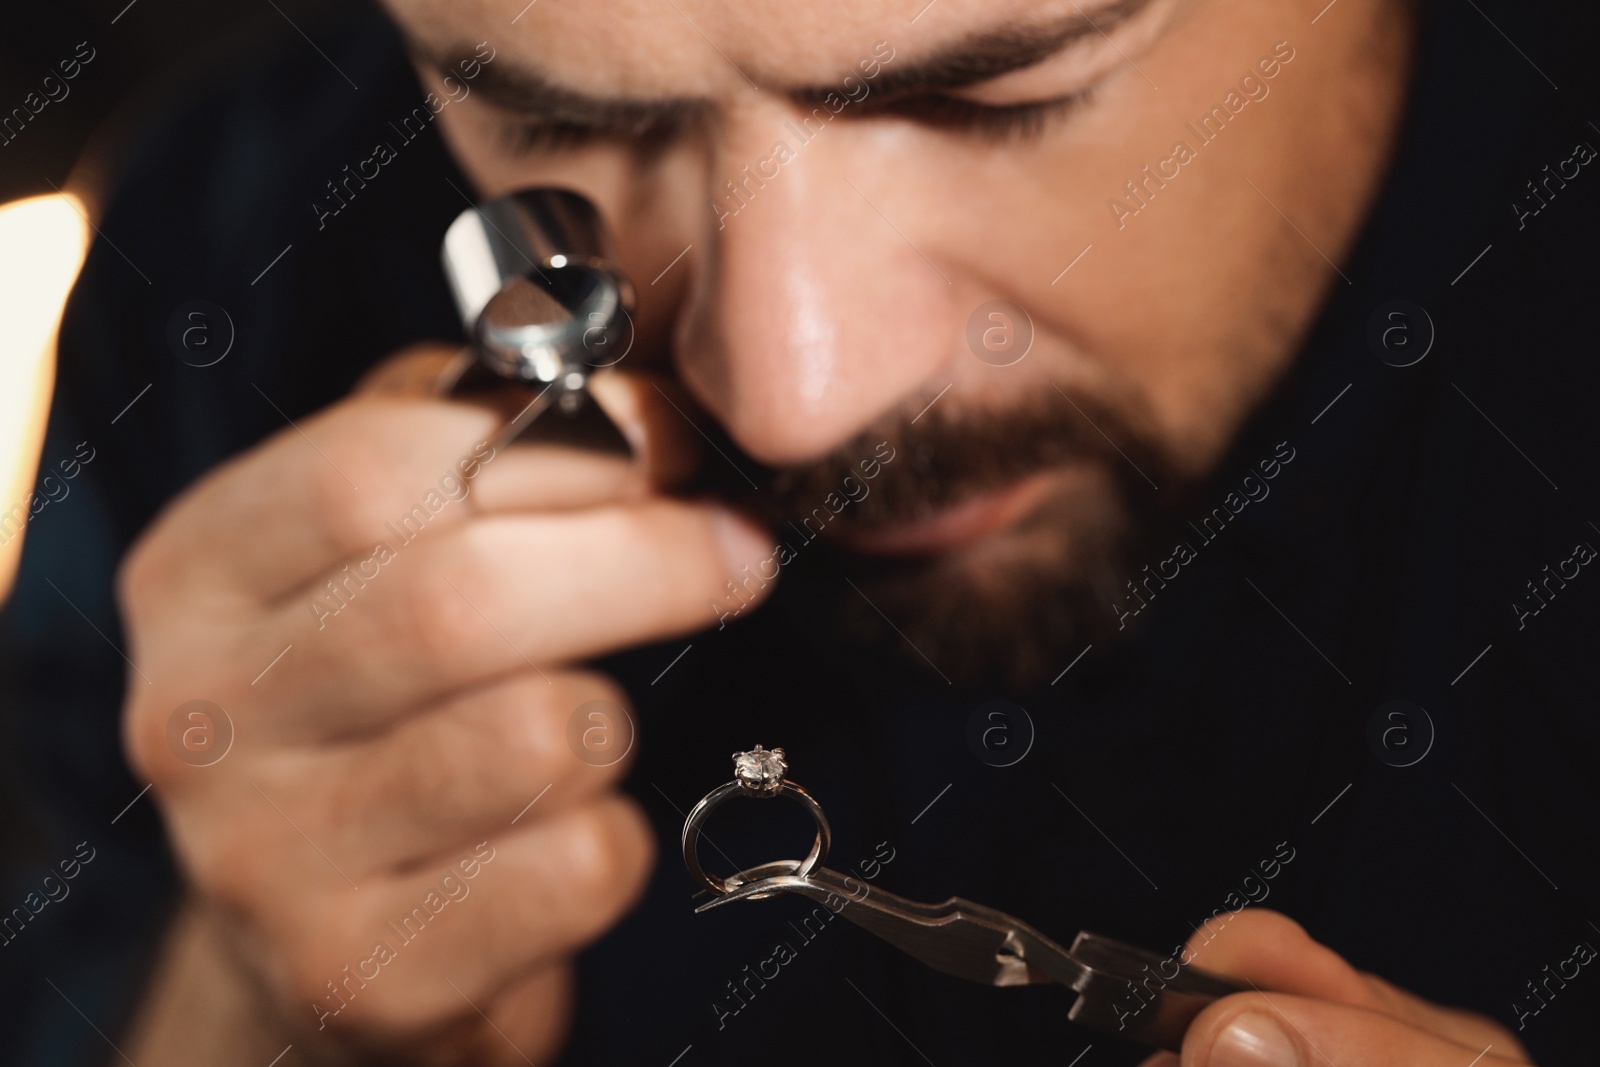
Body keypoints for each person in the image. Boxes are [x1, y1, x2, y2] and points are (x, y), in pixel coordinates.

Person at [4, 0, 1596, 1063]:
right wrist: (248, 1001)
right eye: (552, 116)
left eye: (993, 94)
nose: (790, 395)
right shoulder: (232, 256)